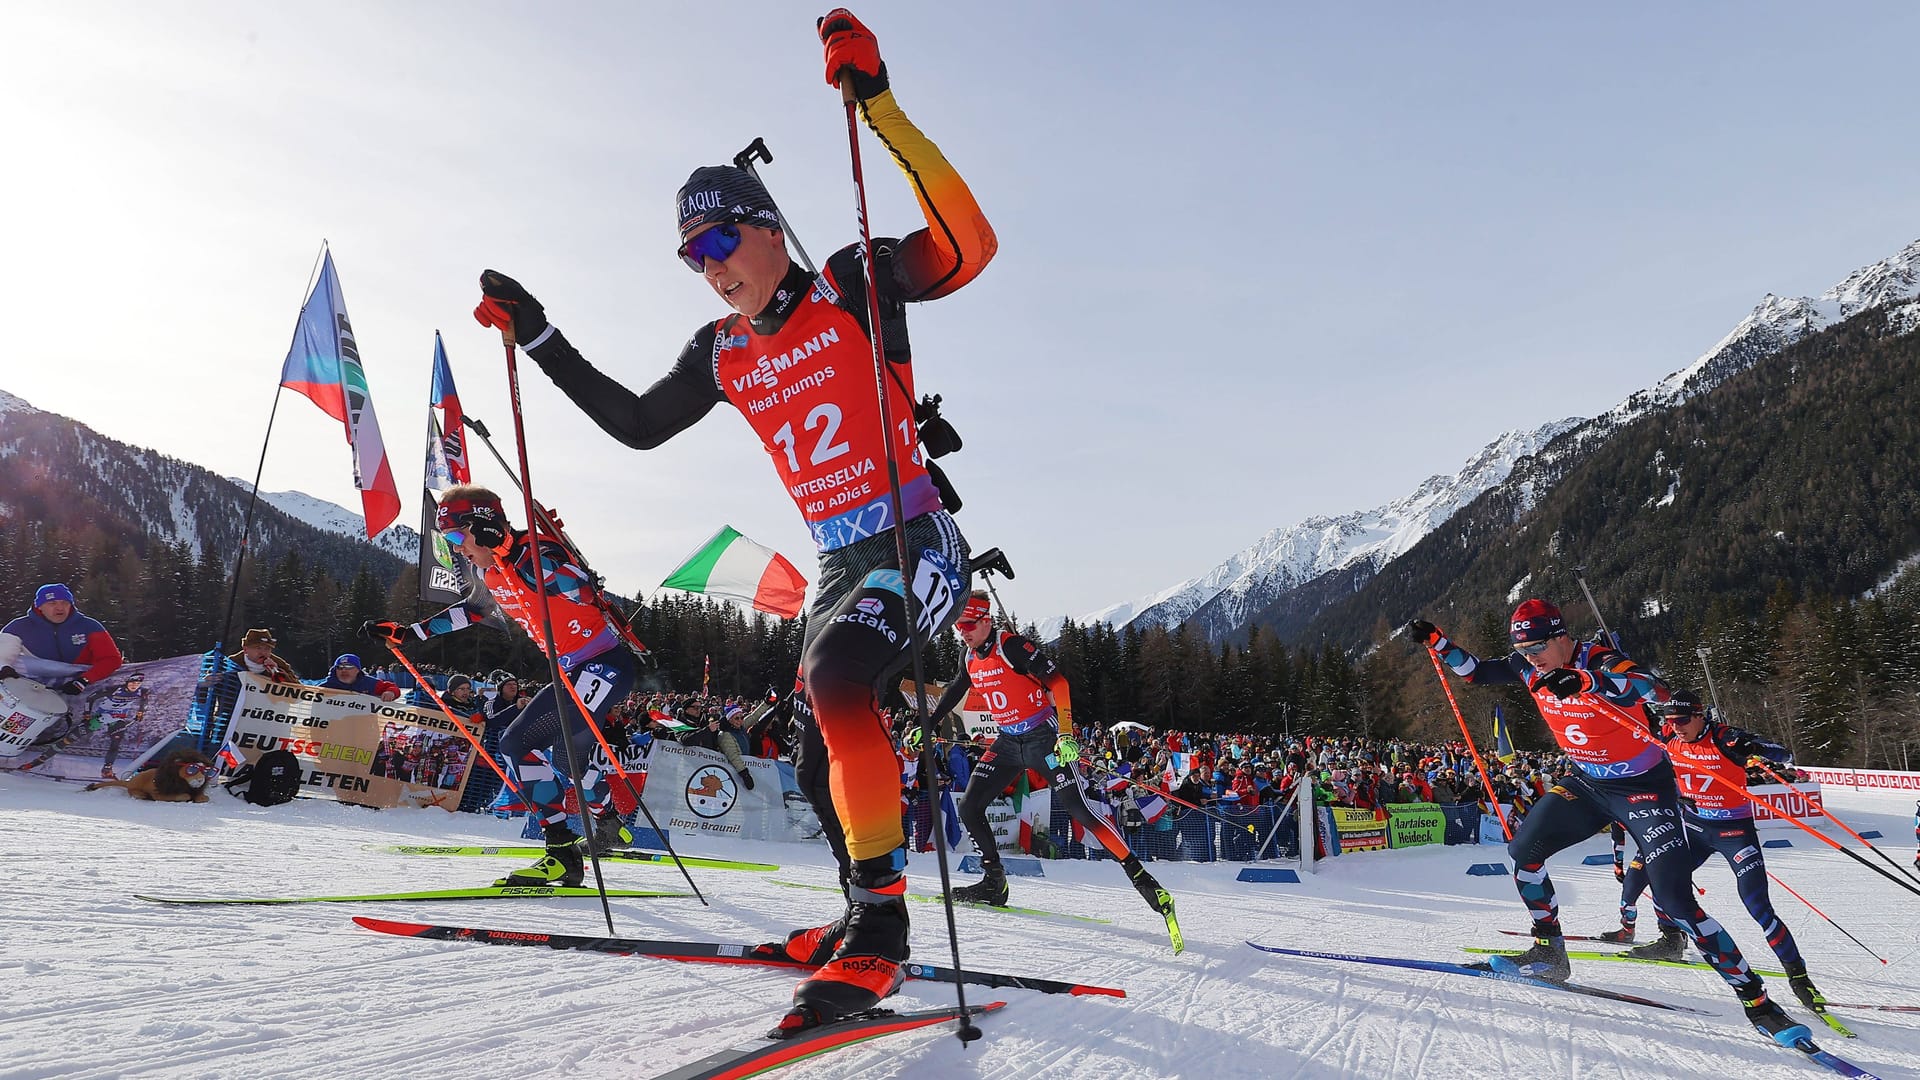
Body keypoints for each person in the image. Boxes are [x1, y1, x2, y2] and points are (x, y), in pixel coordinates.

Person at [468, 8, 994, 1030]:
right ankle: (857, 915)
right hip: (841, 564)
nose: (709, 265)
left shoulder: (848, 286)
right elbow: (634, 425)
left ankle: (883, 934)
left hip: (914, 539)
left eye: (719, 240)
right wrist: (540, 337)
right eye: (689, 254)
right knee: (813, 751)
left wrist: (878, 105)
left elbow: (970, 245)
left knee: (843, 686)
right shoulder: (722, 350)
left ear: (766, 227)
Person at [1409, 600, 1806, 1041]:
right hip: (1587, 784)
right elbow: (1475, 672)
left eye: (1539, 646)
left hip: (1643, 789)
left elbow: (1651, 689)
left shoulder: (1597, 660)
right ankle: (1549, 951)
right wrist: (1438, 642)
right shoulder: (1527, 667)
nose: (1531, 656)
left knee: (1676, 901)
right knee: (1523, 854)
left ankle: (1758, 1003)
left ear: (1562, 638)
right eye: (1522, 649)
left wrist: (1585, 679)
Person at [363, 486, 645, 883]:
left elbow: (583, 589)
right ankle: (610, 825)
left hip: (602, 665)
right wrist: (410, 633)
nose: (459, 550)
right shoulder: (489, 571)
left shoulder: (535, 550)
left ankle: (562, 849)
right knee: (567, 760)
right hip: (571, 670)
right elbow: (475, 610)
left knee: (516, 744)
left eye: (459, 538)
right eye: (450, 542)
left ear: (487, 527)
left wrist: (525, 561)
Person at [928, 593, 1178, 936]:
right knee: (970, 807)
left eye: (969, 625)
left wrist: (1065, 734)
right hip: (1006, 742)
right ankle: (993, 882)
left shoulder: (1012, 646)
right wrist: (929, 724)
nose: (963, 632)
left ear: (987, 620)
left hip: (1043, 739)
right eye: (958, 626)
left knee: (1082, 811)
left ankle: (1145, 881)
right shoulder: (968, 655)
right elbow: (958, 686)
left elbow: (1058, 683)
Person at [1608, 696, 1828, 1013]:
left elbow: (1785, 755)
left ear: (1701, 717)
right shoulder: (1669, 737)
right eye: (1670, 720)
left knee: (1758, 907)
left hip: (1734, 834)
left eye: (1682, 720)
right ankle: (1671, 940)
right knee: (1663, 882)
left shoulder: (1725, 739)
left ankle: (1799, 977)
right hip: (1694, 831)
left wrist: (1753, 747)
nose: (1675, 727)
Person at [0, 583, 123, 694]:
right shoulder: (18, 627)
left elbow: (111, 659)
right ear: (39, 607)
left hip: (83, 686)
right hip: (37, 690)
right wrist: (5, 669)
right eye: (52, 603)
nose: (60, 608)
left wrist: (84, 680)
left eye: (64, 603)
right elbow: (3, 656)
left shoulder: (90, 626)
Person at [320, 655, 400, 701]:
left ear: (357, 669)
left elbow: (392, 687)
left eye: (349, 666)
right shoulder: (325, 687)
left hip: (364, 726)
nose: (343, 670)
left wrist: (390, 692)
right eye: (339, 667)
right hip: (332, 726)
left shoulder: (369, 683)